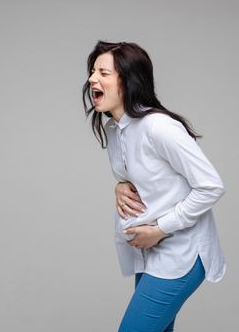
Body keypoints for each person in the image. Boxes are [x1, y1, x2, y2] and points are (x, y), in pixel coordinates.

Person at [82, 40, 226, 332]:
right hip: (149, 253)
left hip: (181, 253)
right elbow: (140, 174)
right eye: (92, 71)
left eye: (104, 73)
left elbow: (210, 186)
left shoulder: (159, 127)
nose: (92, 79)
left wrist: (160, 229)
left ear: (128, 81)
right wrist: (119, 187)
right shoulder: (115, 128)